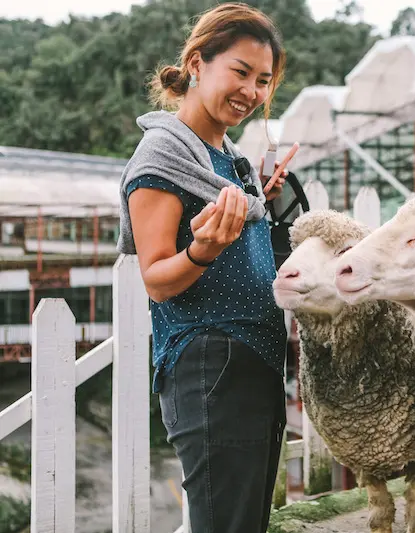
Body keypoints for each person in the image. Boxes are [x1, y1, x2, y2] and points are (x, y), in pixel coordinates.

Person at [116, 3, 291, 531]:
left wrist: (263, 202)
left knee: (245, 521)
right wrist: (202, 252)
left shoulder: (228, 161)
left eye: (263, 81)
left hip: (255, 359)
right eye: (240, 72)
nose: (253, 92)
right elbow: (155, 279)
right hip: (210, 361)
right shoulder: (162, 158)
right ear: (197, 63)